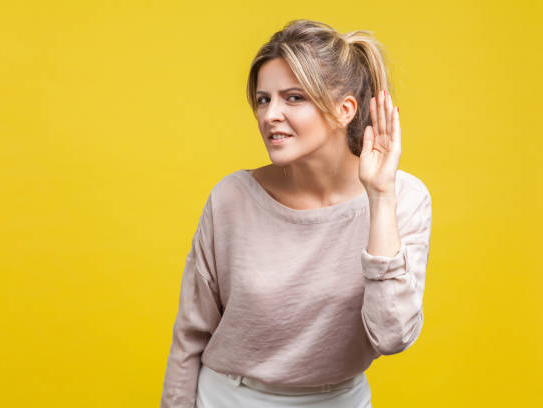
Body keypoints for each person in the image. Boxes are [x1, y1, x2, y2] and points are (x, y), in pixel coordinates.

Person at [160, 19, 432, 408]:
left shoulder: (402, 198)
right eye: (263, 99)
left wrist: (380, 196)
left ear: (344, 110)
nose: (270, 115)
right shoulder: (231, 199)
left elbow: (391, 335)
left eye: (293, 98)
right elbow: (190, 334)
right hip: (227, 398)